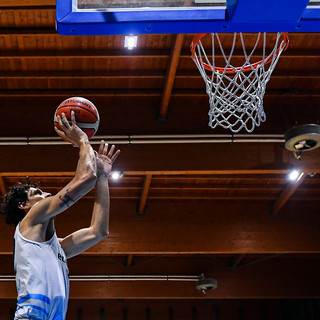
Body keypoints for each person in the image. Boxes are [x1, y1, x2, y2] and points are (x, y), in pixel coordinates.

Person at [0, 111, 120, 320]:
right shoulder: (31, 218)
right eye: (37, 193)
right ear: (23, 206)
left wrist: (102, 177)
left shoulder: (58, 248)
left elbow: (98, 232)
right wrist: (82, 140)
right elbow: (84, 179)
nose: (46, 194)